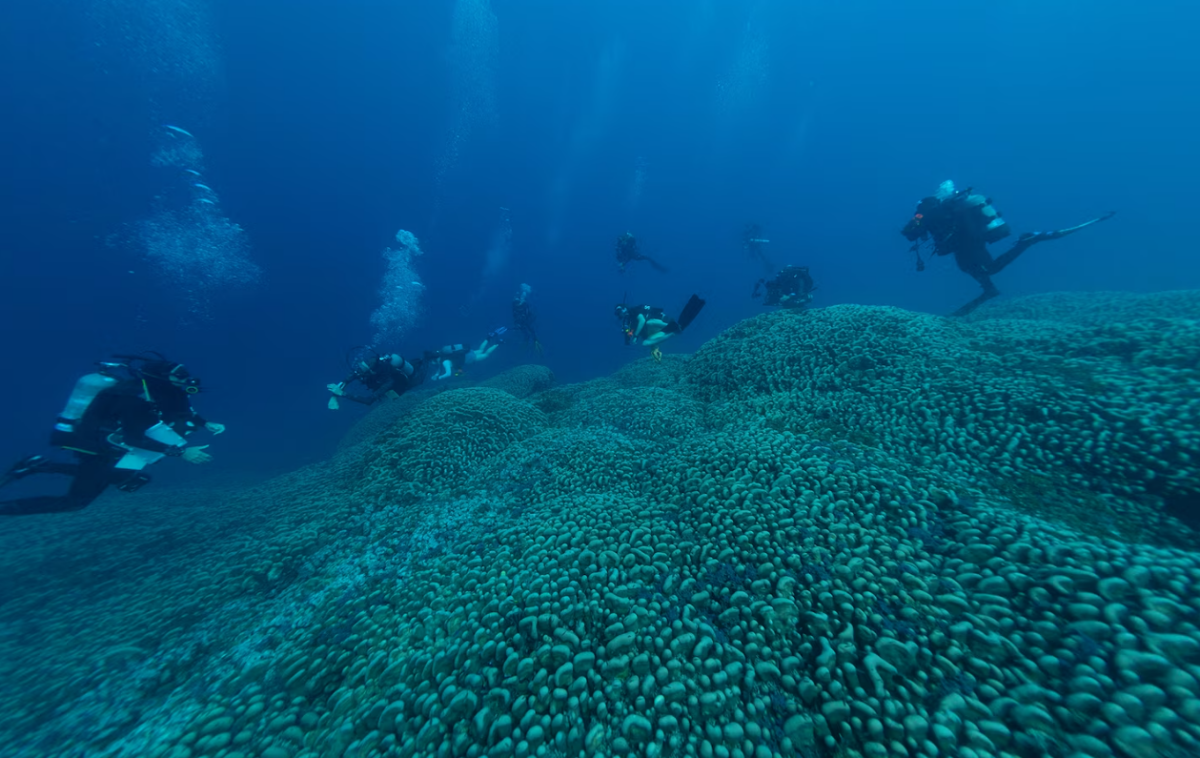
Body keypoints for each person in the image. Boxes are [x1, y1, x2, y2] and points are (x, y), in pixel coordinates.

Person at [0, 353, 223, 516]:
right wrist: (182, 452)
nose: (187, 379)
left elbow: (183, 411)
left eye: (184, 373)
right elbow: (132, 438)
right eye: (180, 375)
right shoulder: (132, 398)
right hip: (95, 446)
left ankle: (38, 465)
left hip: (114, 445)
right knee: (76, 502)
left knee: (123, 477)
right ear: (160, 377)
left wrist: (205, 423)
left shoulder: (165, 391)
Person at [902, 180, 1116, 316]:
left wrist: (917, 219)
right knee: (969, 268)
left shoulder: (928, 212)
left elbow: (910, 233)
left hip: (968, 241)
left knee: (989, 268)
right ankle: (989, 290)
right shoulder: (943, 211)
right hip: (967, 241)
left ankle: (1028, 241)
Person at [614, 294, 706, 362]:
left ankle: (674, 327)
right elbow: (649, 336)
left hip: (663, 323)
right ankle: (674, 330)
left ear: (624, 308)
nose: (620, 314)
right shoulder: (631, 324)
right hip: (662, 330)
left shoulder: (634, 311)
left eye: (620, 311)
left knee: (649, 322)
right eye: (618, 313)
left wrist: (636, 336)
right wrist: (655, 350)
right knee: (645, 343)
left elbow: (642, 320)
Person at [326, 348, 424, 410]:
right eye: (359, 370)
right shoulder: (364, 369)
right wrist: (334, 397)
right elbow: (346, 380)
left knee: (420, 375)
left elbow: (368, 401)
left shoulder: (388, 380)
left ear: (372, 372)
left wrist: (343, 394)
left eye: (362, 374)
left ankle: (429, 357)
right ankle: (421, 360)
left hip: (407, 382)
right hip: (392, 373)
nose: (358, 374)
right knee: (415, 363)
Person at [426, 329, 506, 381]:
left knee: (486, 354)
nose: (432, 364)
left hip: (469, 358)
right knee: (481, 350)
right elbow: (439, 368)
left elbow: (448, 374)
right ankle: (489, 337)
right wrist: (436, 374)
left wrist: (438, 378)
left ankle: (498, 343)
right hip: (466, 352)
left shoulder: (444, 362)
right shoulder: (442, 354)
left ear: (434, 360)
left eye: (431, 362)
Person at [512, 283, 543, 355]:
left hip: (525, 320)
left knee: (529, 332)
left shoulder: (521, 303)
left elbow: (526, 312)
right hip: (524, 321)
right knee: (529, 332)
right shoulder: (518, 303)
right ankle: (531, 342)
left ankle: (533, 342)